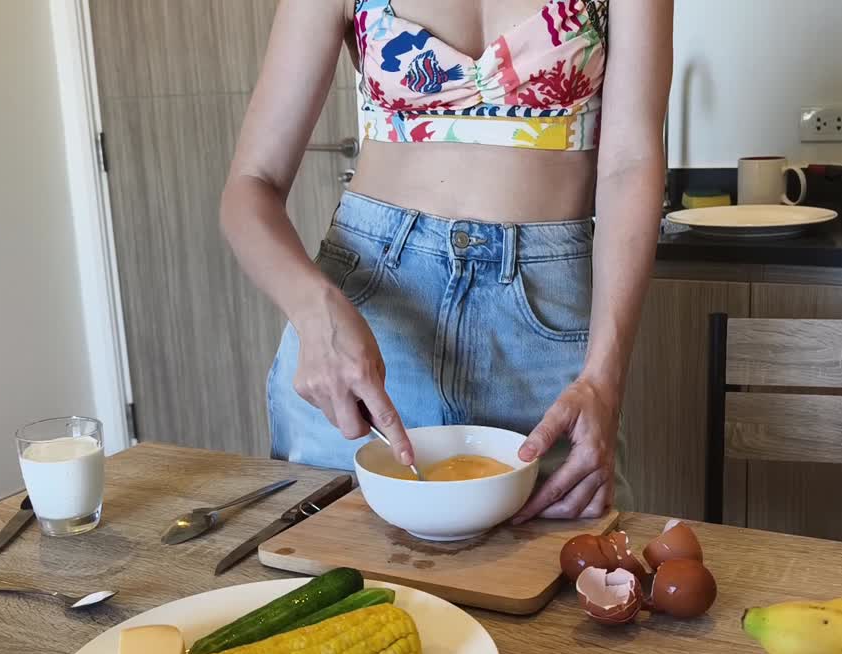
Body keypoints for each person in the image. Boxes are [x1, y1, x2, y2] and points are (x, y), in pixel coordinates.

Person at [221, 0, 673, 521]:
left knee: (564, 585)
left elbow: (631, 165)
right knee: (335, 582)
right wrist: (313, 311)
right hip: (369, 313)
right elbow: (250, 186)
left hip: (545, 329)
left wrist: (603, 379)